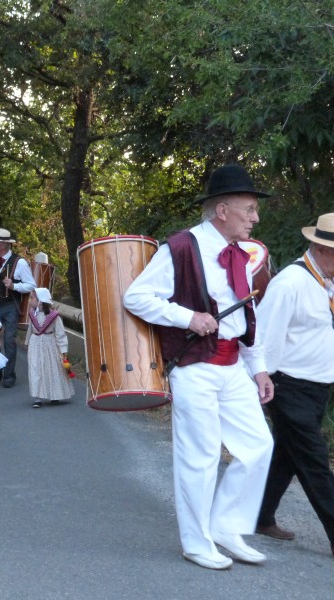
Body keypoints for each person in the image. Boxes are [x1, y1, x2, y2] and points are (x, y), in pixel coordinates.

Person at [123, 164, 275, 570]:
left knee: (259, 445)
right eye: (249, 209)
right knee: (201, 456)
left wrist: (258, 368)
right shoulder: (181, 247)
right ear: (222, 210)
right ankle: (197, 541)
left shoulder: (242, 255)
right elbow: (136, 297)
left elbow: (247, 314)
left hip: (233, 366)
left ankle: (227, 527)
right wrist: (187, 317)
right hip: (194, 366)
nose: (256, 218)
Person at [255, 213, 334, 558]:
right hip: (288, 387)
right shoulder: (289, 283)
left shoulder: (327, 283)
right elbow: (265, 337)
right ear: (320, 248)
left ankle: (259, 515)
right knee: (315, 462)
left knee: (286, 455)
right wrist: (262, 383)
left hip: (317, 388)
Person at [0, 228, 36, 388]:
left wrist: (14, 285)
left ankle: (9, 376)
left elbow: (31, 285)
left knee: (9, 341)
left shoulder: (19, 262)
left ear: (2, 245)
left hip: (10, 306)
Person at [25, 287, 74, 408]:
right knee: (36, 368)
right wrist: (27, 342)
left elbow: (60, 334)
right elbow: (30, 329)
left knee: (51, 368)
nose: (29, 300)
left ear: (40, 301)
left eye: (32, 298)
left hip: (50, 344)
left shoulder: (54, 316)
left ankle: (55, 394)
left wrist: (63, 351)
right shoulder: (32, 314)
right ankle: (37, 397)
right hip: (35, 344)